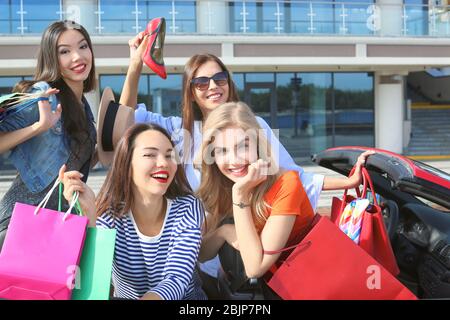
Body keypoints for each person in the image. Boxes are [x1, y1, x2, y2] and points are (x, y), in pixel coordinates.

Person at [119, 33, 374, 296]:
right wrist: (135, 65)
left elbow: (289, 176)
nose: (213, 86)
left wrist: (348, 182)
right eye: (201, 82)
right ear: (190, 92)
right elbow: (123, 125)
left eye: (219, 79)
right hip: (208, 258)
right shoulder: (178, 131)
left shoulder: (254, 126)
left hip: (268, 258)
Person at [196, 102, 371, 299]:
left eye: (243, 146)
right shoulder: (226, 184)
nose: (234, 160)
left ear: (258, 146)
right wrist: (223, 232)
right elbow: (202, 254)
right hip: (272, 288)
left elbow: (255, 268)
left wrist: (239, 198)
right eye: (222, 151)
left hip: (309, 286)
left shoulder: (286, 183)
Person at [60, 123, 206, 300]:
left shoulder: (188, 207)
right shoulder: (108, 214)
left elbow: (176, 279)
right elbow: (93, 275)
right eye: (150, 154)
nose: (163, 162)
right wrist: (89, 214)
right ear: (127, 164)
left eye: (169, 155)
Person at [0, 20, 97, 248]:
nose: (77, 57)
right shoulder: (44, 94)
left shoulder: (83, 105)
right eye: (65, 51)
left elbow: (65, 164)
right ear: (52, 58)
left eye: (83, 46)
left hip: (60, 224)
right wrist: (39, 126)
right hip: (22, 224)